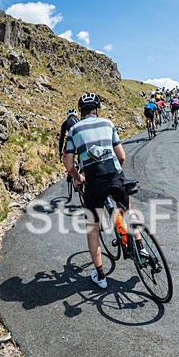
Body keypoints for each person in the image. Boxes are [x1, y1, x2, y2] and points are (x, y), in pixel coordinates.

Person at [63, 92, 144, 289]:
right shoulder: (108, 123)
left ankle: (100, 276)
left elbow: (70, 165)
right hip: (115, 175)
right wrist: (115, 175)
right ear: (96, 110)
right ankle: (141, 248)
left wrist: (79, 179)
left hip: (94, 183)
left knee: (92, 229)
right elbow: (121, 156)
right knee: (127, 211)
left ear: (81, 111)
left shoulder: (73, 130)